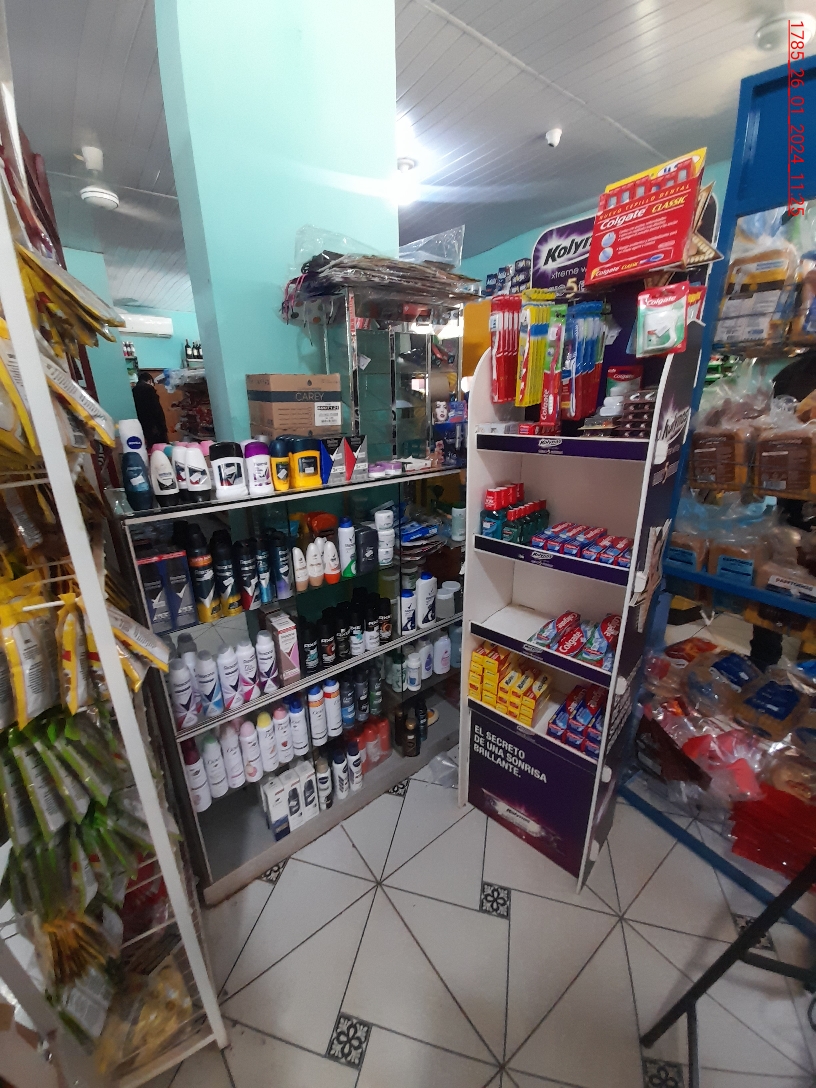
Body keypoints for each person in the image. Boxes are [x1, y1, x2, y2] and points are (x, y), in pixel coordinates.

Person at [749, 347, 816, 671]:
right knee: (777, 577)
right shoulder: (793, 373)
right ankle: (767, 662)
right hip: (792, 502)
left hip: (790, 501)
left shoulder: (792, 371)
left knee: (777, 577)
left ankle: (765, 661)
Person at [132, 370, 168, 448]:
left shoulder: (133, 391)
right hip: (154, 425)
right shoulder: (149, 389)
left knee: (150, 446)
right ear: (149, 380)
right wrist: (162, 427)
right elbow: (156, 409)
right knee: (160, 447)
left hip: (142, 424)